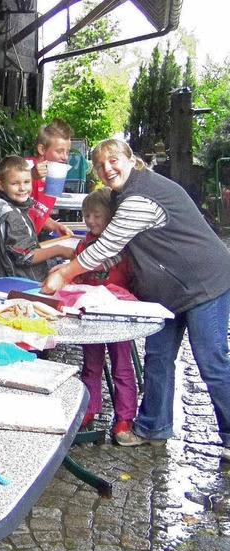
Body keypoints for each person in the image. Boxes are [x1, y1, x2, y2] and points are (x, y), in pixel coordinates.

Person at [42, 138, 230, 459]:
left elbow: (109, 245)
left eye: (113, 160)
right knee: (157, 357)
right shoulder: (121, 195)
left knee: (211, 363)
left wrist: (65, 273)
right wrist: (71, 263)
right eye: (100, 165)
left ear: (131, 159)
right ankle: (153, 425)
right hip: (167, 291)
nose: (107, 168)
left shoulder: (139, 196)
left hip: (204, 282)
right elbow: (122, 252)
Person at [73, 187, 137, 440]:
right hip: (91, 313)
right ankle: (89, 408)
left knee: (122, 366)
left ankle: (124, 417)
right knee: (91, 364)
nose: (91, 221)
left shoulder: (124, 247)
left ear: (110, 218)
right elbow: (76, 277)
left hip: (119, 314)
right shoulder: (83, 244)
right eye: (87, 216)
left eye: (97, 216)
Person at [0, 154, 75, 281]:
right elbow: (27, 256)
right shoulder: (11, 216)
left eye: (27, 182)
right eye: (15, 183)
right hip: (19, 282)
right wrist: (59, 250)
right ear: (1, 185)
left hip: (5, 277)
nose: (22, 188)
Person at [26, 118, 76, 237]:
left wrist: (55, 226)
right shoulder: (24, 166)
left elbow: (39, 212)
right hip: (9, 244)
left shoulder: (54, 176)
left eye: (67, 152)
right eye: (59, 151)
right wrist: (30, 176)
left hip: (28, 242)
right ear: (42, 149)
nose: (65, 157)